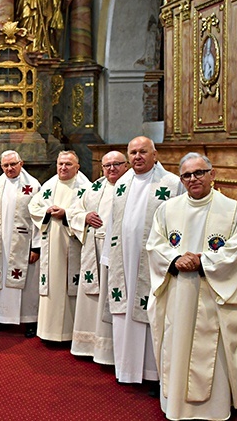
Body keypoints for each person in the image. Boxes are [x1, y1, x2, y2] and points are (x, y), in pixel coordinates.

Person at [146, 153, 237, 420]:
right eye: (186, 175)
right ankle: (175, 405)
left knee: (212, 350)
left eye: (199, 172)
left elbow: (235, 249)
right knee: (177, 344)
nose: (193, 179)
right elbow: (154, 245)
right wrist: (175, 259)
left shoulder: (231, 210)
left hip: (213, 294)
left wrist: (204, 260)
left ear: (212, 174)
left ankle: (215, 408)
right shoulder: (167, 209)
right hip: (178, 294)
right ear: (181, 178)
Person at [102, 136, 182, 387]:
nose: (137, 156)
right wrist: (107, 256)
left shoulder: (171, 183)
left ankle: (153, 373)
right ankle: (126, 370)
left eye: (143, 152)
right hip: (123, 259)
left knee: (151, 311)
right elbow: (114, 221)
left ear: (155, 154)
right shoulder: (123, 182)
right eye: (133, 152)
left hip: (154, 263)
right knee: (125, 310)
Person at [67, 151, 127, 364]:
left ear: (126, 165)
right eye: (107, 165)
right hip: (94, 249)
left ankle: (111, 351)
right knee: (93, 298)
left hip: (119, 252)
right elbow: (72, 212)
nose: (112, 169)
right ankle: (90, 345)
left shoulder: (130, 187)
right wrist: (84, 216)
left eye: (116, 164)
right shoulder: (94, 188)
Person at [28, 150, 90, 342]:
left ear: (77, 167)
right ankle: (49, 332)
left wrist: (67, 214)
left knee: (70, 287)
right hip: (50, 244)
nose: (63, 168)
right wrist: (47, 211)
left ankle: (71, 334)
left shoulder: (86, 187)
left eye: (68, 164)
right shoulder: (49, 184)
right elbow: (33, 206)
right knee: (52, 286)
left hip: (73, 244)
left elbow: (89, 213)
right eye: (60, 164)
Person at [0, 150, 41, 337]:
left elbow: (38, 218)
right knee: (3, 282)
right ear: (1, 166)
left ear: (21, 163)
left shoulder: (33, 186)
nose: (9, 168)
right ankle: (4, 318)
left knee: (28, 283)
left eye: (13, 164)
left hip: (24, 243)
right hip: (1, 245)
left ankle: (30, 320)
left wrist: (36, 246)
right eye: (5, 165)